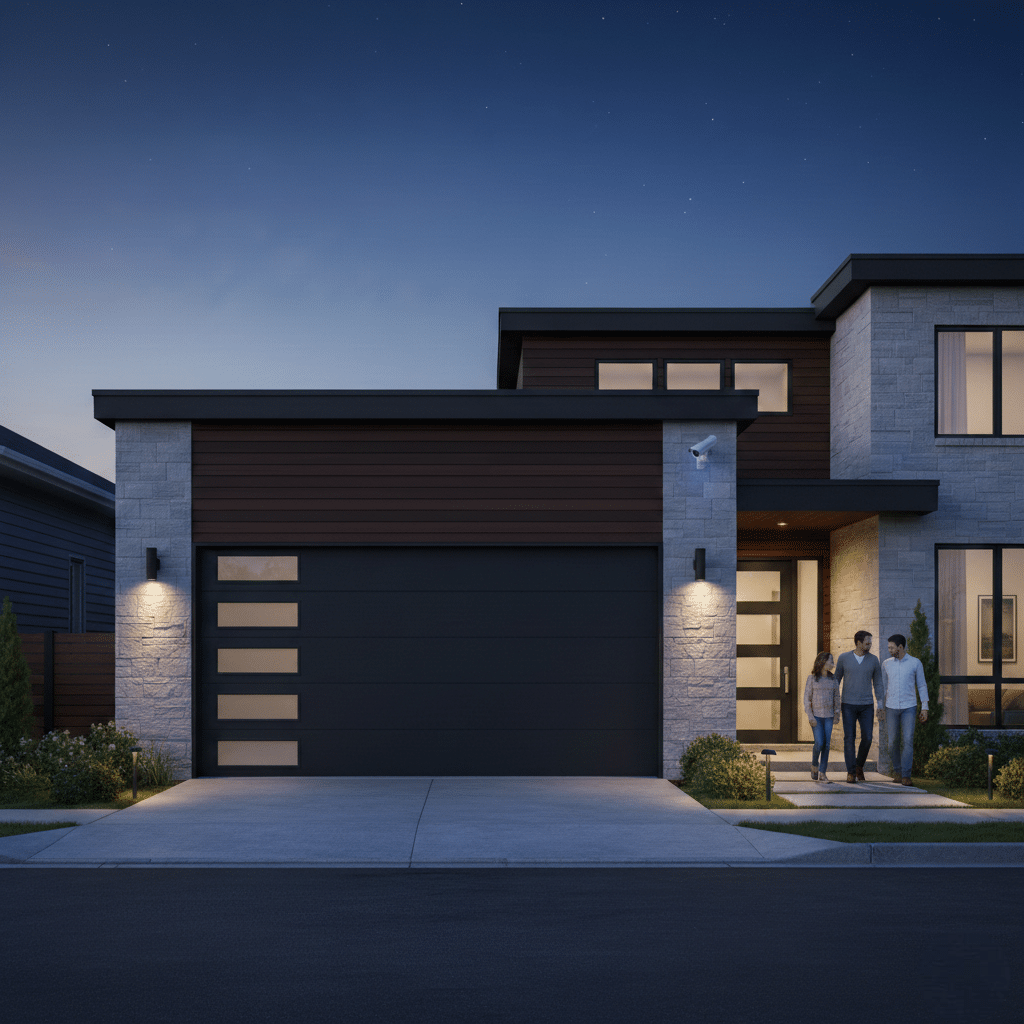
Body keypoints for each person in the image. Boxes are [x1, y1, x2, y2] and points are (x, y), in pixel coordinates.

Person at [834, 631, 885, 784]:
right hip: (848, 704)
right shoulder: (844, 658)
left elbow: (878, 683)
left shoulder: (874, 660)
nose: (870, 645)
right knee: (849, 738)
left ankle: (859, 766)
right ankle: (850, 772)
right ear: (858, 643)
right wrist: (834, 703)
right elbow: (836, 680)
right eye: (867, 643)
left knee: (868, 738)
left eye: (871, 642)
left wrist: (880, 703)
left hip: (867, 705)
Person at [882, 633, 929, 786]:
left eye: (891, 647)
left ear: (900, 647)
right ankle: (897, 771)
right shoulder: (886, 664)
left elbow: (922, 685)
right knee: (892, 742)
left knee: (908, 741)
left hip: (909, 707)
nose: (889, 650)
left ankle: (906, 775)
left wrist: (925, 707)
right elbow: (882, 687)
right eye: (888, 647)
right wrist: (880, 706)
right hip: (891, 707)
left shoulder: (915, 663)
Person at [804, 651, 841, 783]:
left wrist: (837, 713)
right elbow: (807, 700)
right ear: (823, 662)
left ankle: (823, 773)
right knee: (819, 743)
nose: (833, 664)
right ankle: (814, 764)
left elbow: (837, 697)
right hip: (816, 717)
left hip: (829, 716)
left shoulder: (833, 679)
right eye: (831, 661)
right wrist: (810, 716)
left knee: (826, 745)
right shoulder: (812, 679)